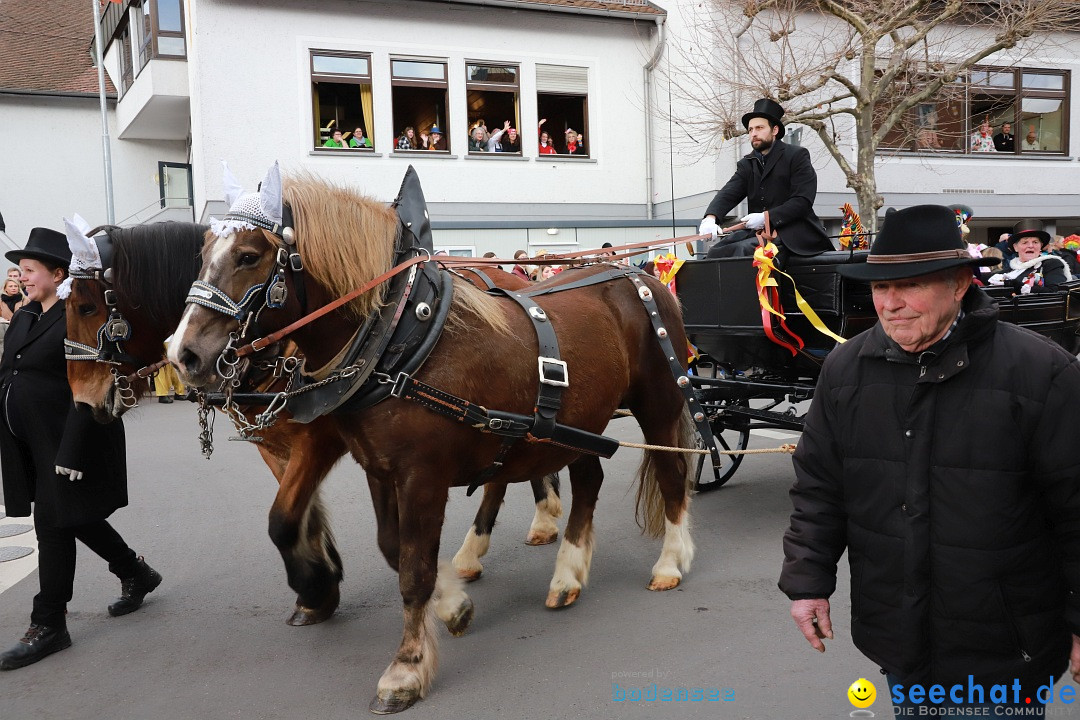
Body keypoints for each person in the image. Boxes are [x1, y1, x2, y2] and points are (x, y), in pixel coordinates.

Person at [780, 204, 1080, 716]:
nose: (890, 304)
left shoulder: (1041, 372)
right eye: (879, 287)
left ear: (960, 284)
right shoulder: (845, 369)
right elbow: (819, 489)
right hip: (900, 640)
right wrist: (808, 582)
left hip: (1004, 650)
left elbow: (1076, 509)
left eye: (910, 286)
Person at [0, 228, 162, 671]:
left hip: (69, 439)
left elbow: (90, 386)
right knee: (76, 516)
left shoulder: (75, 316)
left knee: (52, 523)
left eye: (30, 271)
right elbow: (11, 374)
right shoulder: (24, 317)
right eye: (20, 272)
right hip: (29, 442)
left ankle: (49, 624)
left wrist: (70, 450)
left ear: (57, 273)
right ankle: (134, 571)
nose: (22, 278)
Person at [699, 98, 833, 259]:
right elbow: (729, 192)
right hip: (758, 234)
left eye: (759, 128)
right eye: (750, 130)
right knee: (716, 252)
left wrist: (766, 217)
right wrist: (711, 218)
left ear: (774, 130)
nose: (753, 133)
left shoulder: (796, 155)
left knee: (745, 251)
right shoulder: (747, 164)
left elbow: (802, 201)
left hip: (794, 234)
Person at [987, 218, 1071, 294]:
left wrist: (1019, 286)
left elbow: (1057, 292)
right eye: (1025, 242)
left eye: (1035, 242)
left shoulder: (1051, 264)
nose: (1030, 246)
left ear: (1040, 246)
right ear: (1015, 247)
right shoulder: (1009, 269)